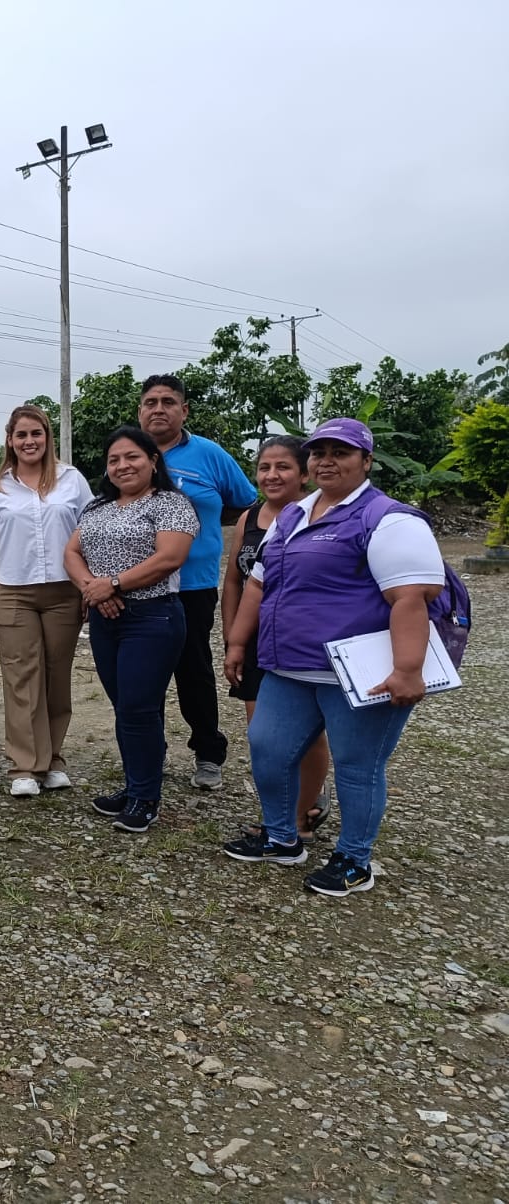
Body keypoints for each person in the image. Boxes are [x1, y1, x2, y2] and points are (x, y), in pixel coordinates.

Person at [222, 418, 445, 896]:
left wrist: (408, 670)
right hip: (288, 667)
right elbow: (258, 585)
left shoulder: (387, 519)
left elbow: (411, 597)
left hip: (357, 674)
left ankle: (354, 859)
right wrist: (238, 643)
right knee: (268, 748)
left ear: (366, 461)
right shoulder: (293, 515)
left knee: (357, 766)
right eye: (319, 452)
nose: (326, 461)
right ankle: (281, 837)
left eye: (340, 453)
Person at [63, 426, 198, 835]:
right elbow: (71, 552)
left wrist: (114, 584)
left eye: (132, 456)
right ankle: (135, 784)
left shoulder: (171, 503)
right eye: (114, 460)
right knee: (125, 706)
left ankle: (145, 797)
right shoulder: (97, 506)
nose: (123, 465)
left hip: (152, 617)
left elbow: (170, 557)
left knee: (139, 708)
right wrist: (93, 588)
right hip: (106, 619)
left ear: (153, 460)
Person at [138, 374, 257, 789]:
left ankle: (208, 753)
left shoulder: (209, 454)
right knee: (145, 675)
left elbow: (248, 504)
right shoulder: (129, 453)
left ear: (184, 410)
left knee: (194, 672)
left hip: (192, 585)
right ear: (140, 411)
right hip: (138, 585)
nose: (159, 409)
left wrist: (202, 530)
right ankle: (148, 753)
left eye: (168, 402)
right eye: (151, 402)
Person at [0, 405, 96, 797]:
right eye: (22, 435)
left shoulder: (72, 480)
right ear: (10, 440)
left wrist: (88, 586)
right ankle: (24, 766)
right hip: (13, 591)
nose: (29, 441)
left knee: (56, 675)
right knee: (21, 676)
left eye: (36, 433)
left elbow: (89, 535)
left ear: (47, 437)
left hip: (64, 591)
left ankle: (53, 759)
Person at [219, 436, 331, 840]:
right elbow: (235, 580)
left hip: (301, 640)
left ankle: (303, 813)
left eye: (283, 466)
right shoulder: (249, 518)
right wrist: (233, 636)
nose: (271, 475)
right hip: (254, 640)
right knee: (264, 735)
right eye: (264, 467)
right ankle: (278, 814)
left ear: (304, 474)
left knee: (306, 732)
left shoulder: (321, 516)